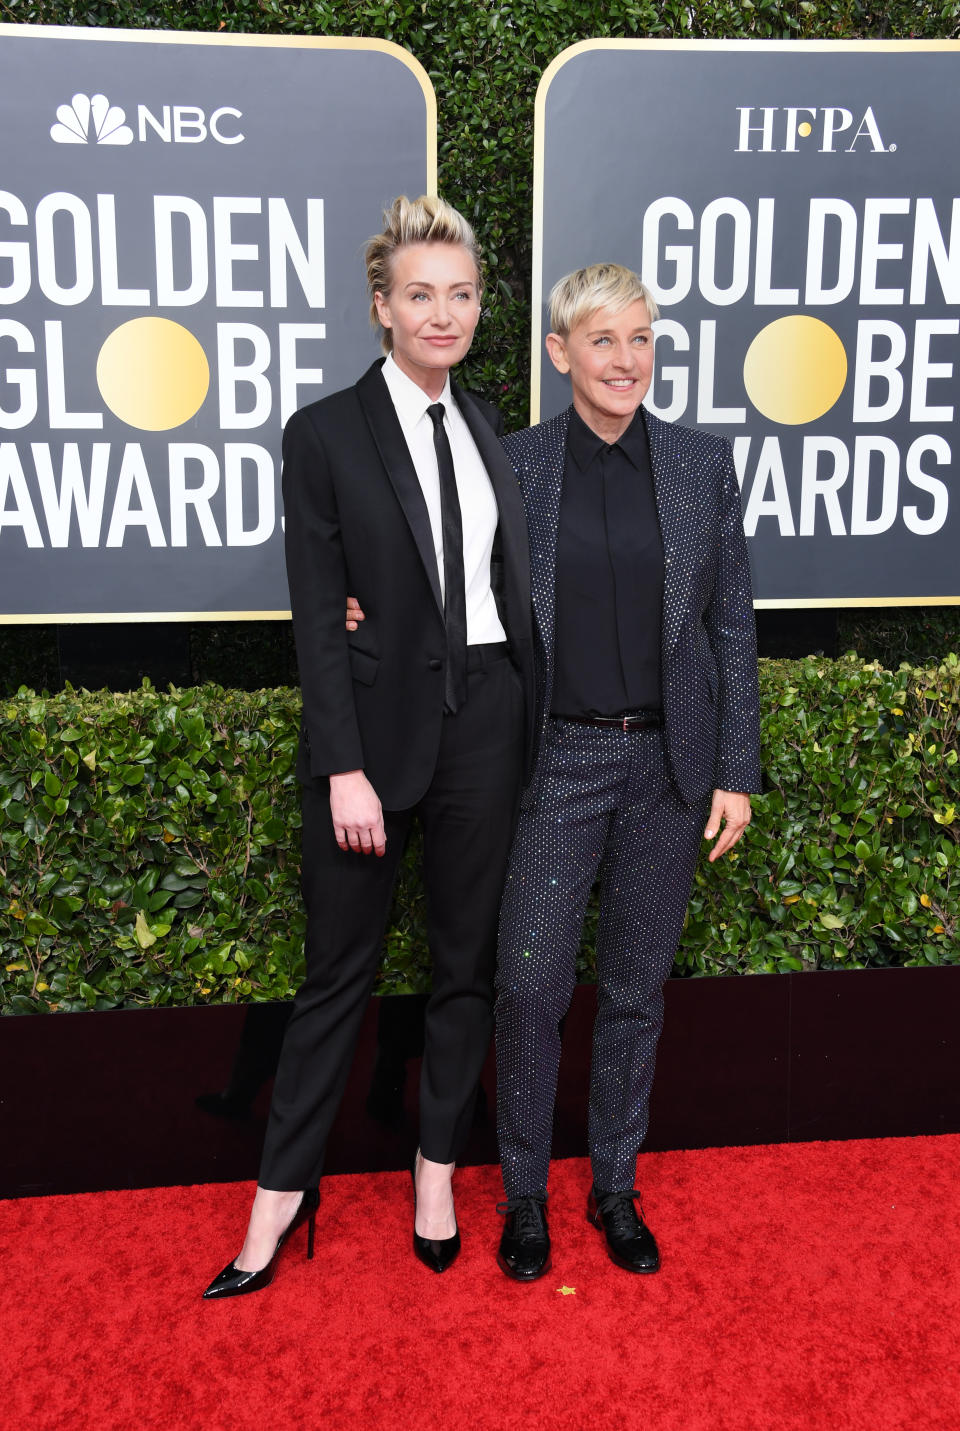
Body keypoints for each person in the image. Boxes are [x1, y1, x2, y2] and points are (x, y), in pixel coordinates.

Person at [203, 195, 534, 1298]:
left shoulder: (488, 424)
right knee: (336, 976)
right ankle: (278, 1200)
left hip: (487, 718)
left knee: (462, 970)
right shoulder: (324, 434)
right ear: (382, 308)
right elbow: (315, 612)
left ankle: (434, 1175)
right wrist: (342, 764)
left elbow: (499, 585)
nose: (444, 313)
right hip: (373, 739)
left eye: (463, 294)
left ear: (479, 307)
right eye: (421, 296)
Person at [493, 263, 762, 1282]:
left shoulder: (702, 463)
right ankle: (525, 1197)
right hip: (555, 762)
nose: (627, 361)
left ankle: (614, 1186)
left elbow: (730, 623)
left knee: (638, 991)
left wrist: (734, 768)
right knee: (528, 988)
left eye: (642, 338)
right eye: (604, 340)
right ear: (560, 352)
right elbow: (456, 602)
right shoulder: (513, 466)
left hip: (667, 766)